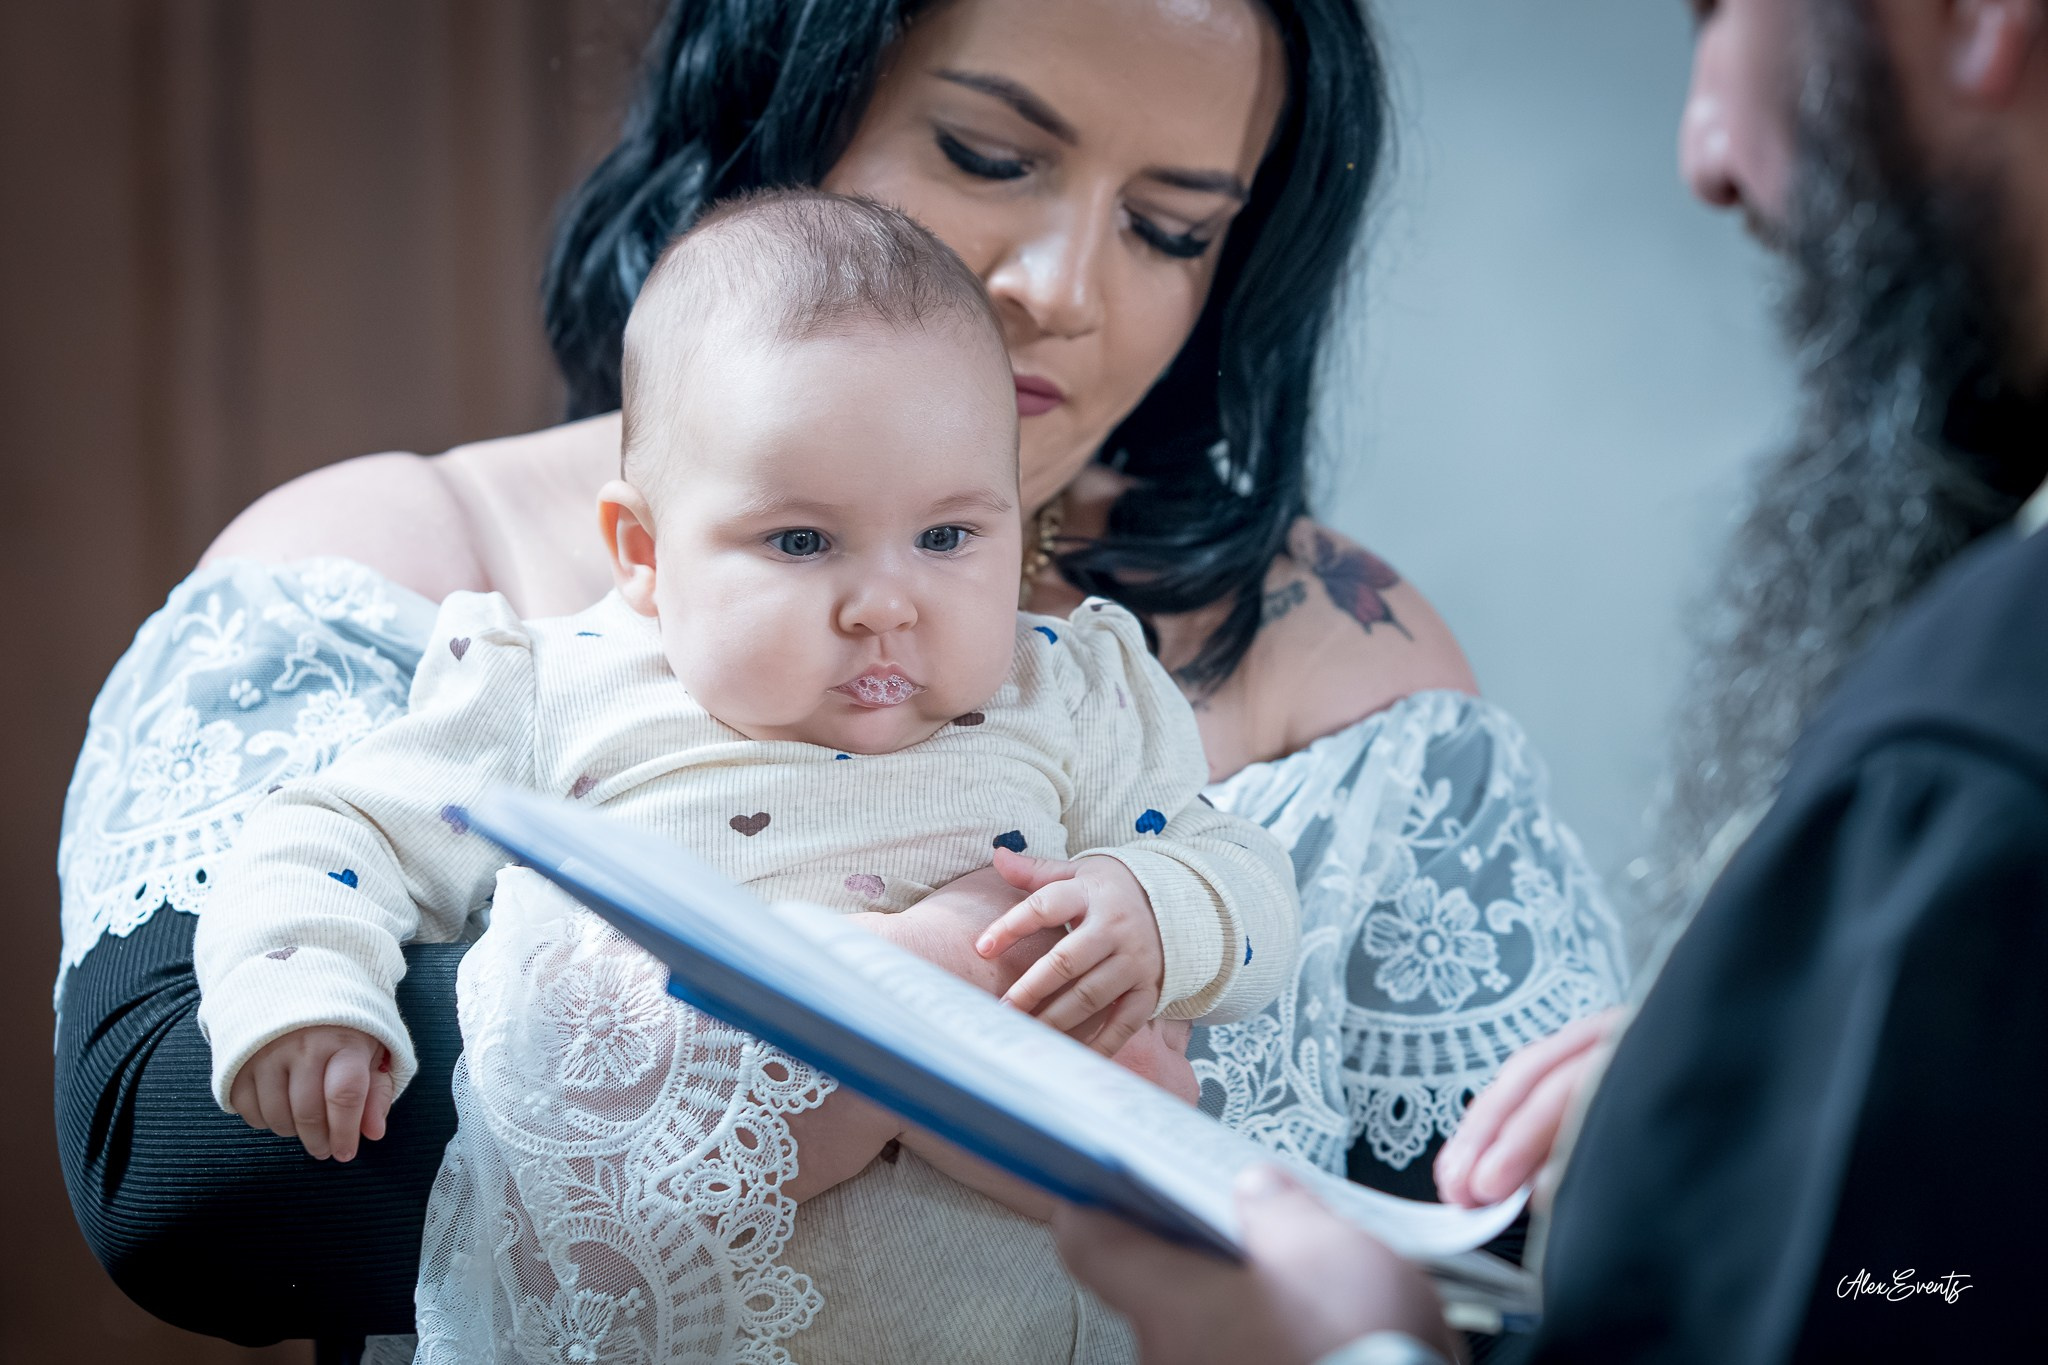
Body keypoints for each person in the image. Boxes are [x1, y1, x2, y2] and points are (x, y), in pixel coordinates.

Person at [54, 0, 1625, 1351]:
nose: (1066, 283)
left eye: (1172, 228)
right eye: (990, 154)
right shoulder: (417, 575)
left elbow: (1513, 1245)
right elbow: (184, 1180)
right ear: (789, 93)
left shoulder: (1320, 654)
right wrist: (875, 1011)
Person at [1050, 0, 2048, 1359]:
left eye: (1716, 8)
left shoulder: (1981, 747)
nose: (1700, 148)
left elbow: (1926, 1300)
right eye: (985, 153)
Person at [198, 188, 1297, 1363]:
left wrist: (1153, 907)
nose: (885, 603)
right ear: (643, 552)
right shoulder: (553, 691)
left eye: (946, 537)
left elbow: (1241, 873)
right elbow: (332, 830)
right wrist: (306, 992)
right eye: (800, 541)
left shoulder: (1065, 695)